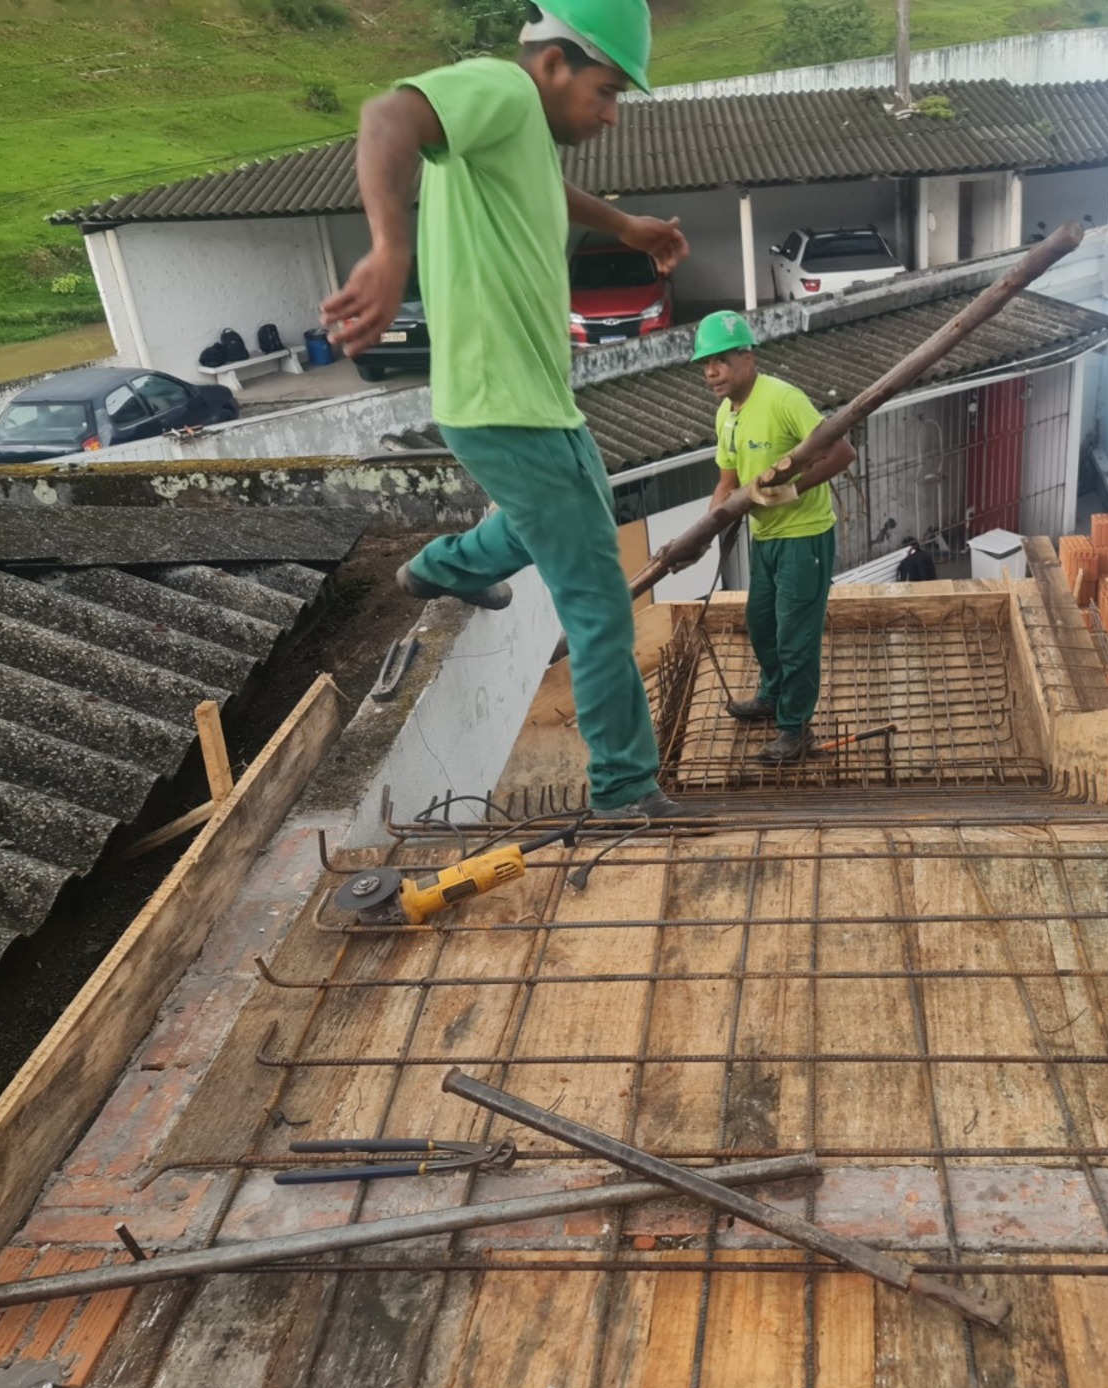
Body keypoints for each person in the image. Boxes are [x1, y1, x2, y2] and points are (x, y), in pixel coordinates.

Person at [320, 0, 687, 819]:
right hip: (506, 407)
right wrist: (390, 248)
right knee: (598, 600)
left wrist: (625, 225)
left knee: (563, 516)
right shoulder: (501, 89)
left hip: (531, 403)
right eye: (606, 90)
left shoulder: (517, 129)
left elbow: (545, 187)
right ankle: (626, 791)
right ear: (553, 64)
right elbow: (388, 117)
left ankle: (441, 569)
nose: (611, 113)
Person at [695, 311, 857, 764]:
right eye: (706, 364)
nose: (712, 372)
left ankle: (795, 729)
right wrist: (703, 534)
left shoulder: (784, 399)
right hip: (764, 537)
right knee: (762, 624)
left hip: (804, 538)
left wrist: (792, 491)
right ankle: (773, 695)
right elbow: (727, 483)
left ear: (748, 358)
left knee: (795, 637)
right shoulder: (726, 414)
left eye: (721, 360)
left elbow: (842, 452)